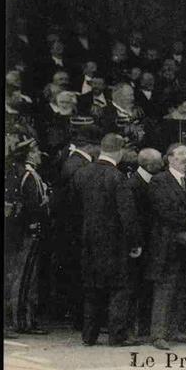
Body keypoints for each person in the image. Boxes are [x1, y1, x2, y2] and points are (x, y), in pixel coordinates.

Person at [71, 133, 143, 346]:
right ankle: (116, 335)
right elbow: (127, 215)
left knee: (92, 289)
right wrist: (135, 243)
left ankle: (89, 335)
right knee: (119, 289)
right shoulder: (117, 177)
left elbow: (74, 210)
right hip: (114, 243)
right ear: (119, 151)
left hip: (88, 241)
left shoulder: (81, 174)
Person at [147, 143, 186, 349]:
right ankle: (158, 335)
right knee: (164, 290)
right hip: (166, 244)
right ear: (169, 159)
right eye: (180, 154)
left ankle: (174, 330)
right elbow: (163, 209)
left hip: (185, 245)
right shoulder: (159, 181)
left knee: (181, 288)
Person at [4, 139, 50, 335]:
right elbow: (34, 206)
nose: (39, 153)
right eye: (36, 150)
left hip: (25, 232)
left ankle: (25, 319)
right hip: (30, 232)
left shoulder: (22, 173)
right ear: (30, 154)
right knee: (24, 279)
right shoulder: (30, 176)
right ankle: (22, 321)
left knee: (24, 277)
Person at [125, 147, 162, 340]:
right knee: (135, 288)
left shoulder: (153, 182)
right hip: (139, 247)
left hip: (151, 245)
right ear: (148, 164)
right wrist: (136, 243)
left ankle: (144, 328)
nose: (162, 163)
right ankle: (132, 328)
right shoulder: (133, 185)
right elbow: (132, 218)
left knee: (146, 287)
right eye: (158, 161)